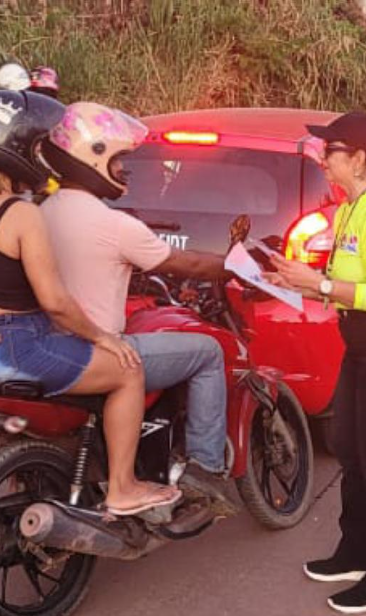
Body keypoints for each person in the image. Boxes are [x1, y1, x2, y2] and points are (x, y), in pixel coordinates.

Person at [267, 112, 366, 614]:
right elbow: (345, 278)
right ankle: (355, 552)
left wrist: (315, 283)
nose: (322, 156)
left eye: (330, 149)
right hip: (362, 345)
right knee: (349, 450)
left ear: (357, 159)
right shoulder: (351, 208)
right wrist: (299, 277)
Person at [39, 102, 235, 515]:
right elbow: (190, 264)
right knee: (207, 353)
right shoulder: (113, 225)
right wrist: (237, 265)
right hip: (96, 351)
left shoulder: (40, 211)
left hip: (46, 347)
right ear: (90, 156)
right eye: (119, 160)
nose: (125, 170)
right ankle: (206, 467)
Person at [0, 89, 180, 516]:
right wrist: (103, 337)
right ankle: (122, 487)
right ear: (22, 148)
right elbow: (55, 301)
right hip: (21, 344)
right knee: (127, 371)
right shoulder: (22, 214)